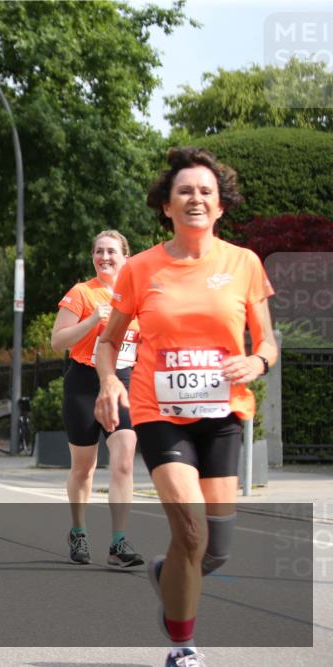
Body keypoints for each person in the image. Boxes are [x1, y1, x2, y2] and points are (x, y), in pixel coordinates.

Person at [95, 147, 277, 667]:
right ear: (166, 206)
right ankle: (183, 646)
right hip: (158, 412)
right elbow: (109, 342)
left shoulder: (244, 263)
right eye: (184, 191)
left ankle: (165, 573)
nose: (195, 198)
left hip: (222, 415)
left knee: (212, 549)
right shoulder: (140, 268)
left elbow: (266, 342)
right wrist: (109, 382)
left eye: (205, 192)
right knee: (190, 532)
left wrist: (258, 364)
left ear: (220, 207)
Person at [51, 230, 144, 567]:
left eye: (112, 252)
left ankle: (119, 541)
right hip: (84, 384)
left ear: (126, 257)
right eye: (99, 252)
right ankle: (78, 530)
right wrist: (92, 319)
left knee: (123, 458)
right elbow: (57, 343)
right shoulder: (81, 293)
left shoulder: (137, 297)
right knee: (84, 468)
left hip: (122, 382)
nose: (105, 257)